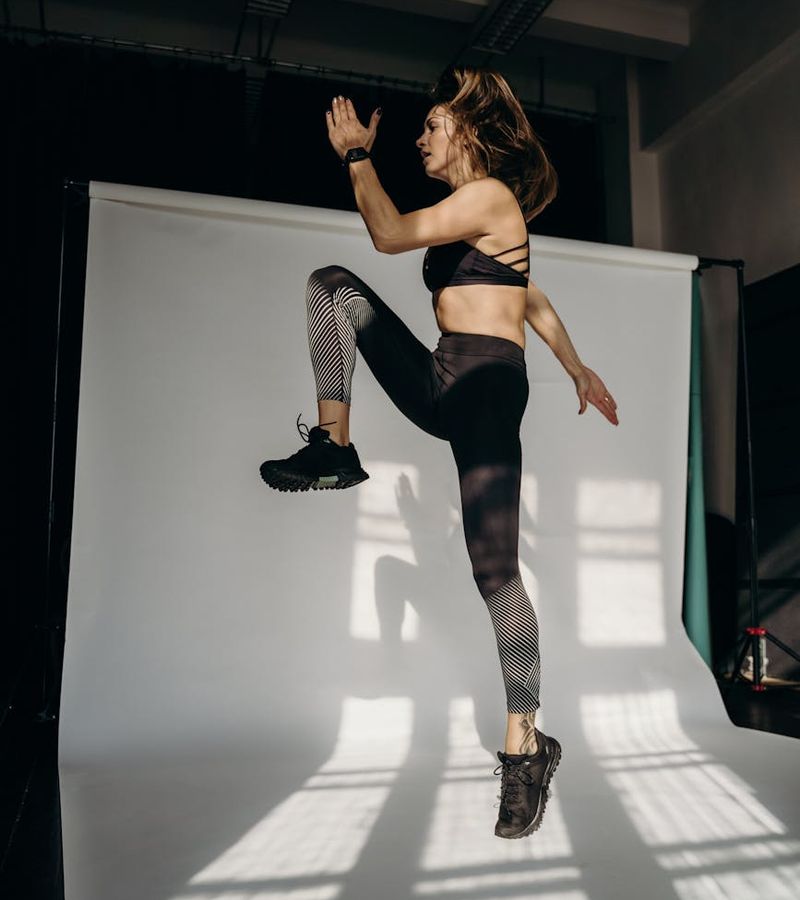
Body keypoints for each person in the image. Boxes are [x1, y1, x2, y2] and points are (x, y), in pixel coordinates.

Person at [259, 66, 619, 839]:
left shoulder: (490, 196)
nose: (419, 136)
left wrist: (358, 157)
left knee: (495, 573)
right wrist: (579, 364)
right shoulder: (468, 211)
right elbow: (532, 292)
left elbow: (390, 235)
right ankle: (335, 447)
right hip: (442, 377)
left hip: (486, 390)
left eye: (430, 124)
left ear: (469, 131)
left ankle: (527, 745)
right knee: (333, 288)